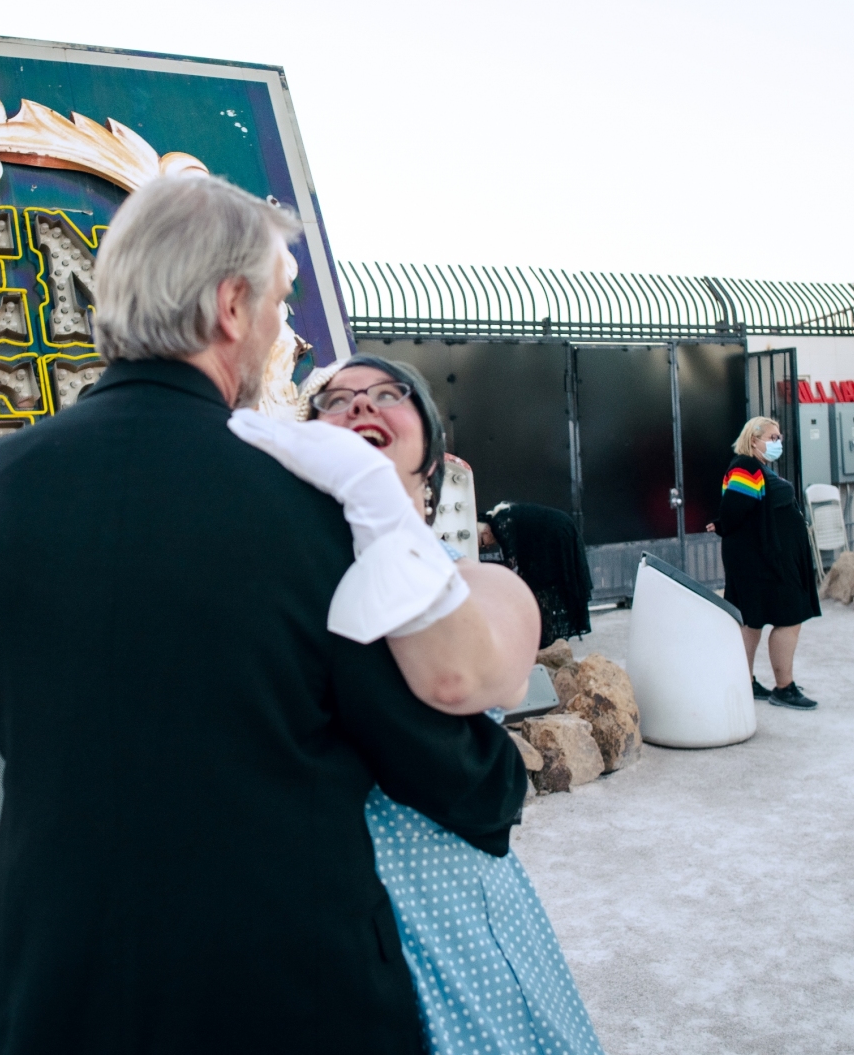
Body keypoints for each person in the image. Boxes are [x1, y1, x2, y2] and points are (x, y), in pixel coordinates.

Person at [0, 175, 527, 1054]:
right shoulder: (313, 504)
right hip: (284, 993)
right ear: (230, 306)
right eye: (280, 302)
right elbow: (440, 763)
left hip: (50, 993)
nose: (282, 331)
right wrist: (500, 779)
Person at [238, 353, 604, 1055]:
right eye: (335, 401)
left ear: (432, 458)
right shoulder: (281, 592)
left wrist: (375, 505)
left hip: (448, 909)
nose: (360, 405)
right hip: (306, 916)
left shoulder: (485, 587)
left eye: (390, 394)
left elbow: (456, 680)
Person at [711, 416, 821, 710]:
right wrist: (721, 524)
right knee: (788, 617)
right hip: (762, 561)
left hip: (764, 558)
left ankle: (744, 681)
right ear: (753, 440)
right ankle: (784, 688)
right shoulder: (746, 467)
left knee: (754, 619)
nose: (778, 442)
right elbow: (734, 511)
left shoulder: (757, 468)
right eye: (772, 438)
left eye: (779, 437)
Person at [480, 502, 594, 649]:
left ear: (485, 531)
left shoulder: (499, 522)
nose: (487, 547)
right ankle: (546, 639)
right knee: (535, 584)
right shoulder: (503, 516)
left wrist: (479, 564)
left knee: (542, 586)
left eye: (482, 543)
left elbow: (510, 562)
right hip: (558, 530)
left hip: (556, 533)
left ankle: (546, 641)